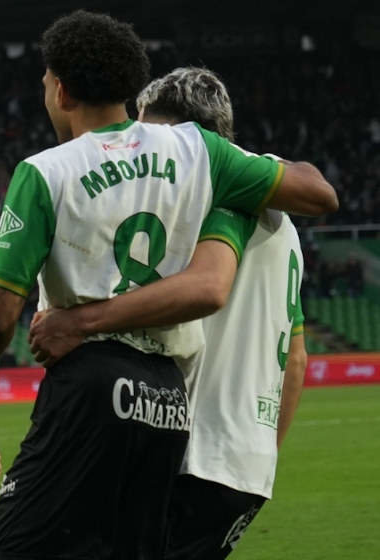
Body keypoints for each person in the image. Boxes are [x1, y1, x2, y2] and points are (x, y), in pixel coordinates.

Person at [0, 11, 337, 560]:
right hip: (176, 403)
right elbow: (318, 199)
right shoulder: (210, 164)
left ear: (60, 90)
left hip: (103, 384)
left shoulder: (48, 171)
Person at [133, 67, 308, 559]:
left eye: (146, 130)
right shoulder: (283, 217)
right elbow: (296, 360)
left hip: (192, 448)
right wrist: (259, 456)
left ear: (184, 134)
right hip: (245, 462)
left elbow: (206, 290)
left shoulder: (216, 189)